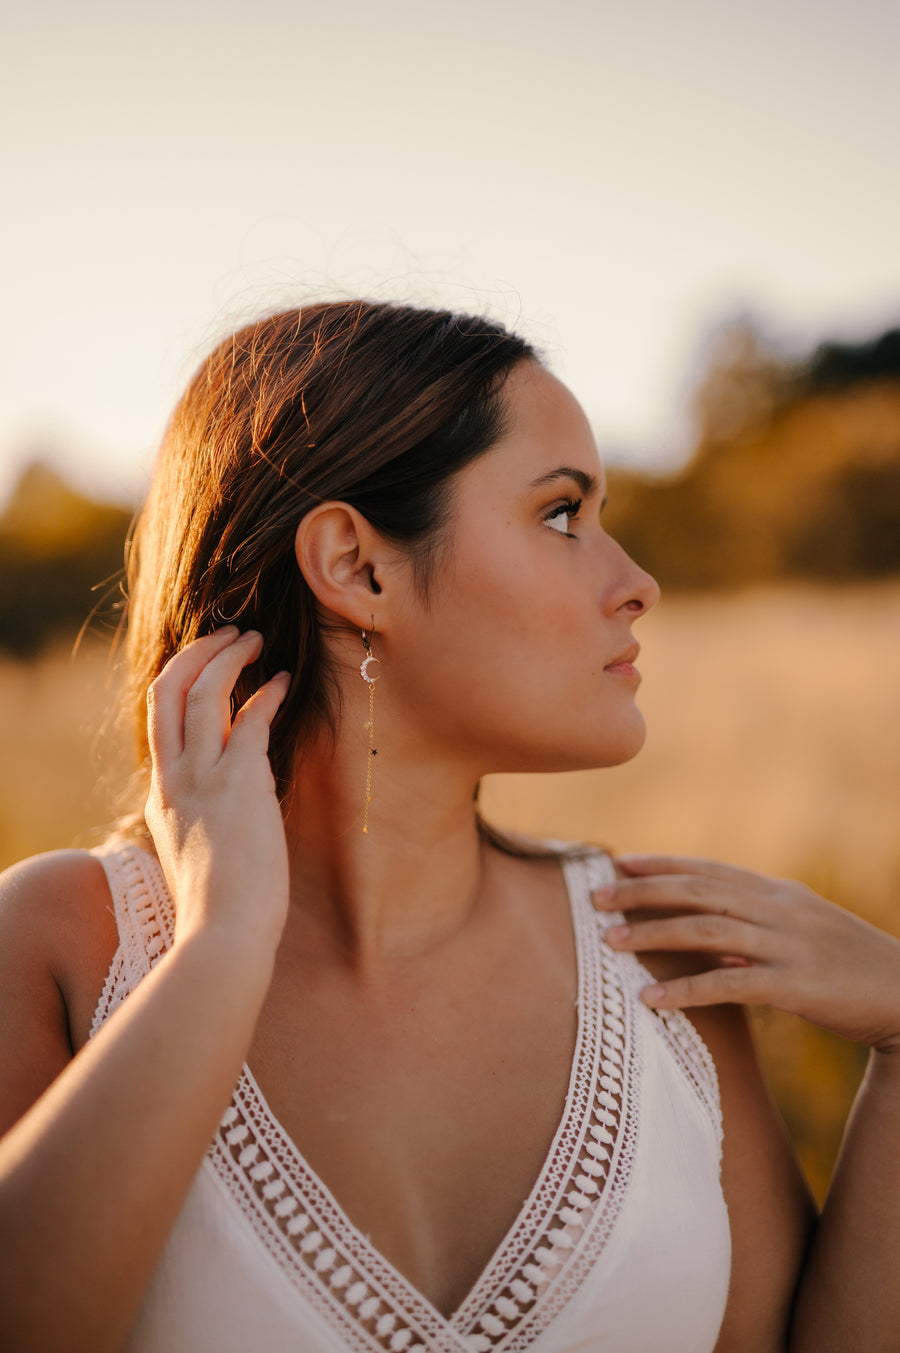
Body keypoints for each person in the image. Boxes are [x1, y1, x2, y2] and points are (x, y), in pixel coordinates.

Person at [0, 300, 898, 1353]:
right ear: (357, 566)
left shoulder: (661, 954)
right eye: (563, 515)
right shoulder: (65, 944)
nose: (637, 585)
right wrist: (224, 940)